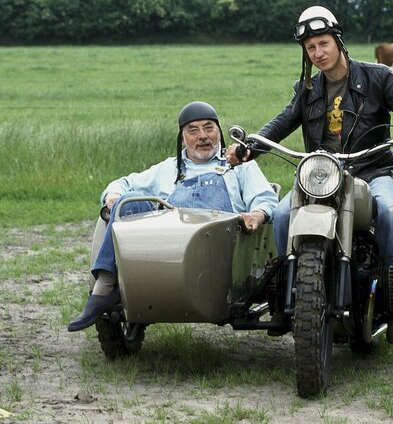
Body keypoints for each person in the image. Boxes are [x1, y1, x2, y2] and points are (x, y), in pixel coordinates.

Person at [226, 6, 393, 345]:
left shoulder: (378, 77)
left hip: (371, 170)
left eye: (323, 44)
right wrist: (249, 147)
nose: (318, 53)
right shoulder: (308, 89)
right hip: (319, 175)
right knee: (283, 215)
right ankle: (288, 293)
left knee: (389, 212)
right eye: (311, 48)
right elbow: (281, 123)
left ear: (338, 41)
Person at [68, 101, 279, 332]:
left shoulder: (240, 166)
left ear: (219, 132)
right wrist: (114, 194)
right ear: (182, 138)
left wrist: (257, 214)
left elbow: (266, 198)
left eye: (209, 128)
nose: (203, 136)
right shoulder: (168, 169)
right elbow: (123, 183)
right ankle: (104, 289)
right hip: (166, 257)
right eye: (193, 130)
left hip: (221, 263)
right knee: (125, 203)